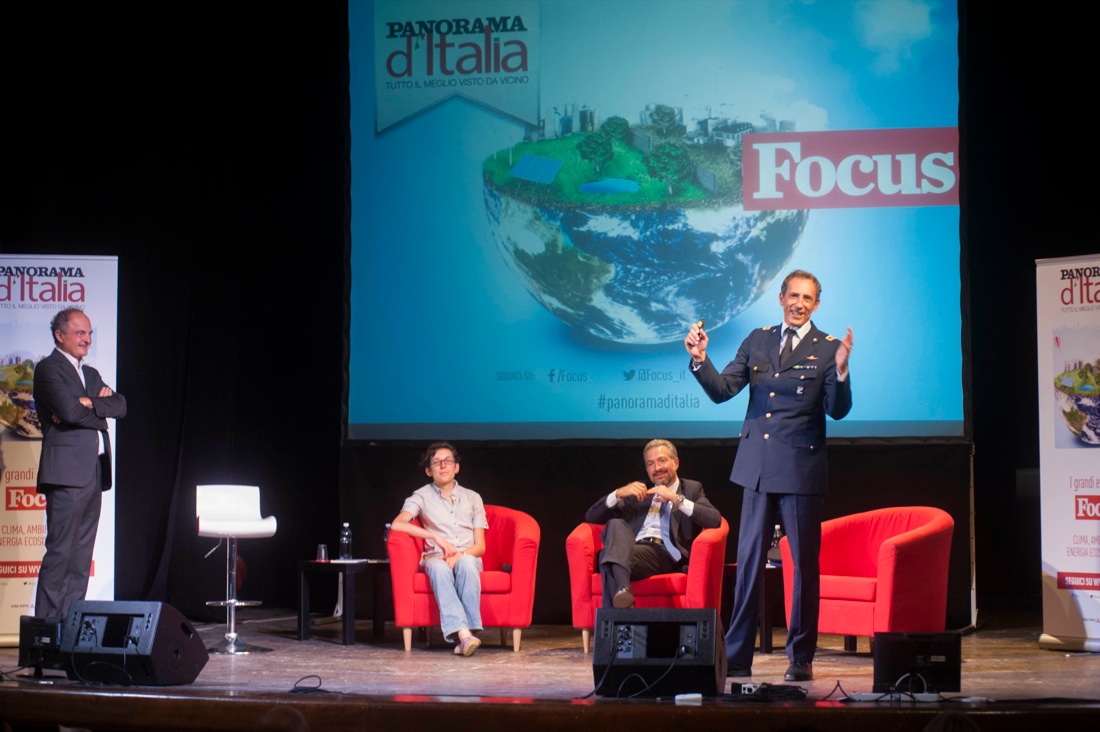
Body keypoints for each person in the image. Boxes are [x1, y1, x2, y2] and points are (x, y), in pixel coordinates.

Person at [684, 269, 852, 682]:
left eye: (807, 298)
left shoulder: (828, 348)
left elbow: (837, 410)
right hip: (756, 470)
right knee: (748, 566)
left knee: (803, 570)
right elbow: (724, 389)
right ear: (780, 298)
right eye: (793, 295)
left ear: (816, 304)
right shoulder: (757, 339)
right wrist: (700, 359)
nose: (798, 303)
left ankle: (800, 656)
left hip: (800, 472)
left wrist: (844, 372)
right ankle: (738, 655)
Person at [33, 307, 127, 621]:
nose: (87, 339)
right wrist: (94, 408)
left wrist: (91, 402)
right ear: (60, 336)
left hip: (94, 472)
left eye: (89, 334)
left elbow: (121, 404)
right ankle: (47, 635)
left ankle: (70, 632)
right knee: (61, 555)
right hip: (66, 474)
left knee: (81, 559)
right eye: (79, 333)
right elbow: (69, 412)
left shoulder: (89, 374)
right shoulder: (48, 368)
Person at [584, 439, 721, 609]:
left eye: (662, 461)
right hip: (633, 551)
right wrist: (617, 494)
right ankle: (623, 591)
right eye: (650, 464)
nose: (657, 468)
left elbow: (714, 519)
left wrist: (675, 498)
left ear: (676, 463)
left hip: (666, 554)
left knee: (607, 558)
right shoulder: (637, 492)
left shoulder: (691, 489)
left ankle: (615, 629)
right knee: (614, 525)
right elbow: (591, 517)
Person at [389, 442, 487, 656]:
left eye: (448, 461)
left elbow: (480, 547)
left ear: (456, 467)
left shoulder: (473, 498)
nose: (443, 465)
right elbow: (398, 524)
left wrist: (460, 554)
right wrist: (434, 536)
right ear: (428, 470)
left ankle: (464, 636)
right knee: (440, 568)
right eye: (437, 462)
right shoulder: (421, 496)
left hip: (466, 555)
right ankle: (465, 634)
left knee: (467, 563)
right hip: (435, 557)